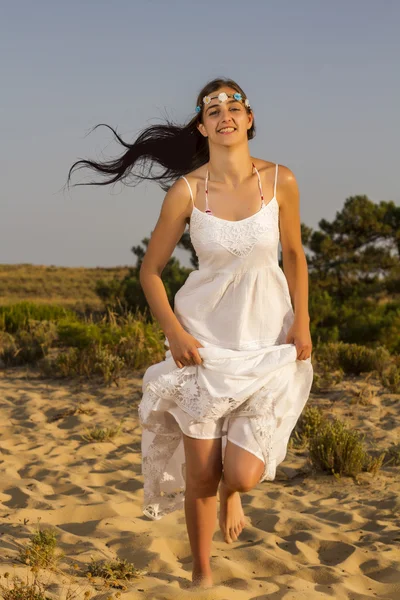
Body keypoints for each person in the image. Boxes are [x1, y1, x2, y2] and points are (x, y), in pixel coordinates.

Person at [67, 77, 313, 589]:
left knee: (240, 473)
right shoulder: (186, 191)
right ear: (203, 127)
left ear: (248, 119)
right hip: (205, 340)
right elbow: (150, 271)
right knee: (201, 473)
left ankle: (234, 494)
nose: (224, 112)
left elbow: (292, 254)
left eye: (233, 105)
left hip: (267, 340)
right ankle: (201, 576)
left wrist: (303, 318)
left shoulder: (280, 180)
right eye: (212, 107)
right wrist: (175, 333)